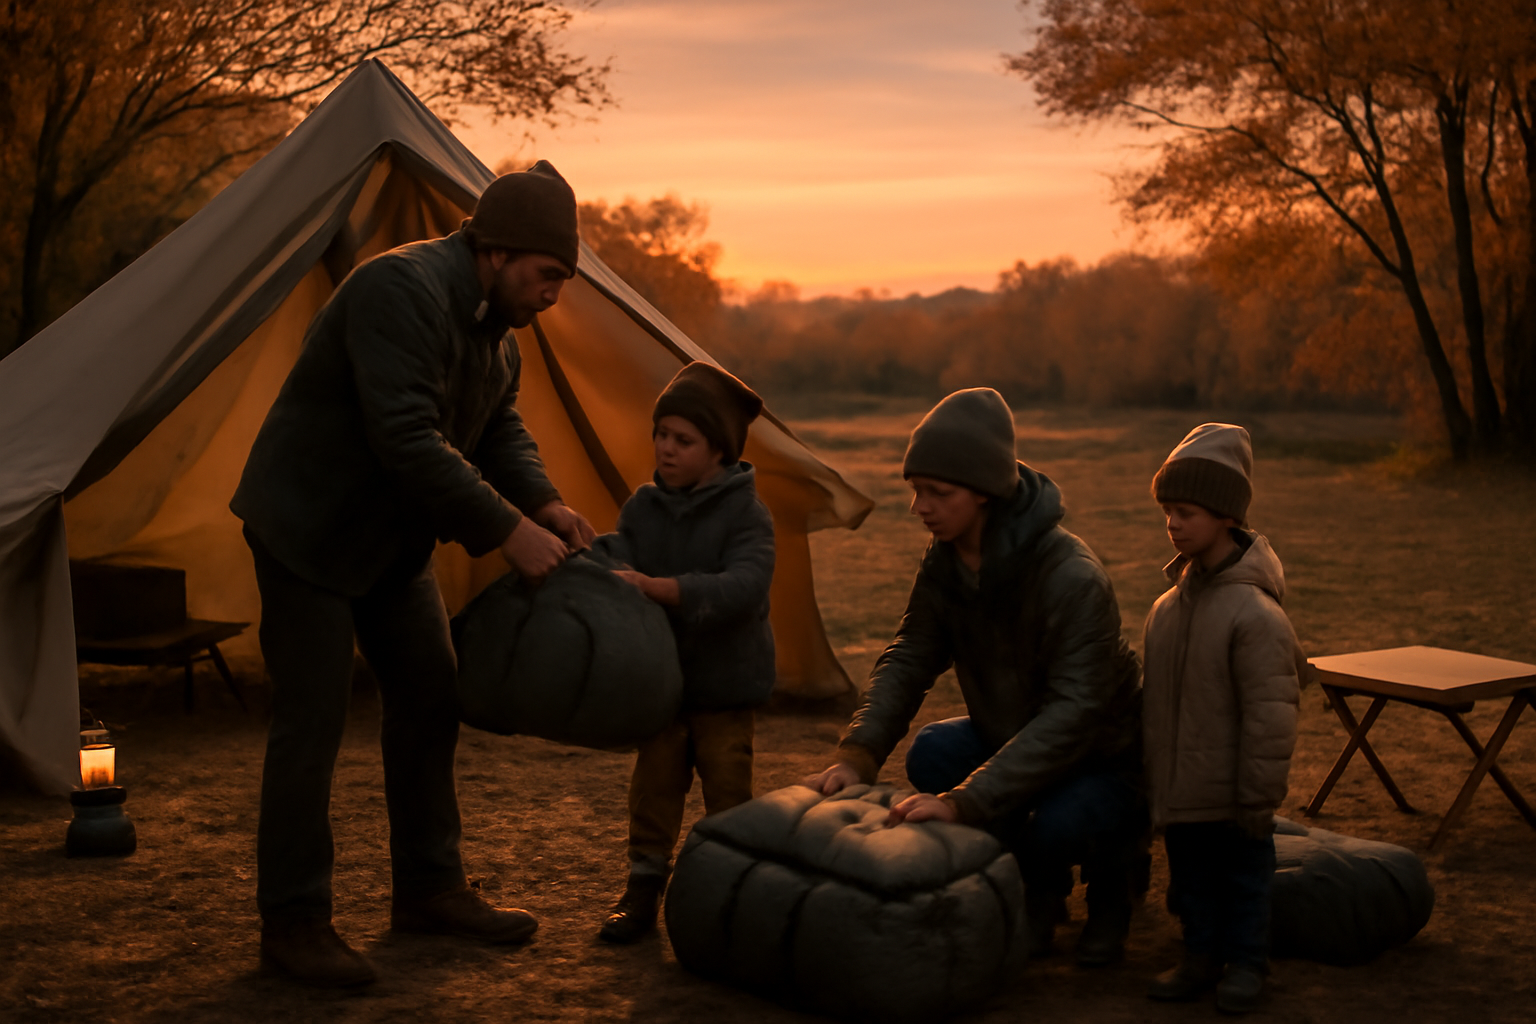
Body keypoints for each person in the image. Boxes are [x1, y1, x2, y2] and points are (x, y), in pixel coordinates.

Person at [230, 161, 596, 988]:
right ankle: (293, 924)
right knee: (312, 724)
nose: (552, 296)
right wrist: (506, 532)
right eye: (547, 276)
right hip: (308, 529)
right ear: (497, 251)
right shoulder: (400, 290)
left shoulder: (498, 336)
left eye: (563, 282)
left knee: (431, 698)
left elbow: (498, 427)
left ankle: (429, 889)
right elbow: (407, 437)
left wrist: (541, 504)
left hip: (391, 544)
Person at [804, 388, 1146, 966]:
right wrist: (857, 754)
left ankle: (1115, 884)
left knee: (1059, 821)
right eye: (916, 490)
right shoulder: (945, 561)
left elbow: (1073, 715)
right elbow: (911, 654)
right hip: (1014, 734)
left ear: (986, 494)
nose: (920, 508)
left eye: (938, 493)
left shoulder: (1072, 578)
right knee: (933, 752)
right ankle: (1036, 889)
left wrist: (967, 802)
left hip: (1099, 755)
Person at [591, 361, 776, 944]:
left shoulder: (748, 514)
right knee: (654, 791)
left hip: (725, 690)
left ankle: (731, 894)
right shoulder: (643, 507)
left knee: (727, 797)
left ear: (718, 449)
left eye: (683, 440)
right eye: (661, 435)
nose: (666, 449)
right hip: (664, 689)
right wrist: (591, 557)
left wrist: (662, 589)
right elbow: (621, 554)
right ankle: (642, 891)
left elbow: (745, 586)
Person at [1141, 423, 1302, 1013]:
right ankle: (1200, 957)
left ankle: (1247, 966)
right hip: (1182, 793)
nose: (1173, 524)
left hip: (1234, 797)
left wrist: (1257, 798)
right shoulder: (1166, 608)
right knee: (1193, 886)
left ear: (1226, 516)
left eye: (1186, 511)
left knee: (1243, 884)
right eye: (1168, 512)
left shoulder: (1254, 615)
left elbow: (1271, 713)